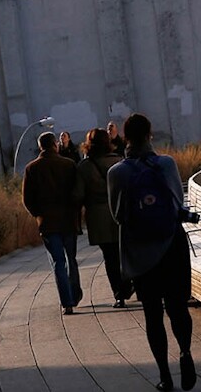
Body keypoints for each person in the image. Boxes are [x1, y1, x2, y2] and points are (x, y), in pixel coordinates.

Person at [107, 113, 196, 392]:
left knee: (152, 314)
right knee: (178, 307)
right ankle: (185, 352)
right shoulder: (167, 164)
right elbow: (177, 203)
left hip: (141, 252)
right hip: (172, 245)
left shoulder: (116, 173)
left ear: (125, 137)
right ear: (150, 134)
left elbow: (117, 216)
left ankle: (164, 376)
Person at [22, 131, 82, 315]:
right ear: (55, 145)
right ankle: (75, 294)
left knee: (58, 262)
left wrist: (38, 214)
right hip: (68, 220)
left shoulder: (31, 168)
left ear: (40, 146)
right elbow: (78, 192)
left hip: (47, 223)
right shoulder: (69, 164)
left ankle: (66, 302)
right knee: (71, 258)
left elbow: (27, 199)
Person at [73, 128, 133, 308]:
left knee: (109, 257)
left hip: (98, 217)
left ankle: (119, 295)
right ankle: (130, 283)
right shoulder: (119, 161)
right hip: (121, 212)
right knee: (125, 253)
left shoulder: (84, 167)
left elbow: (78, 194)